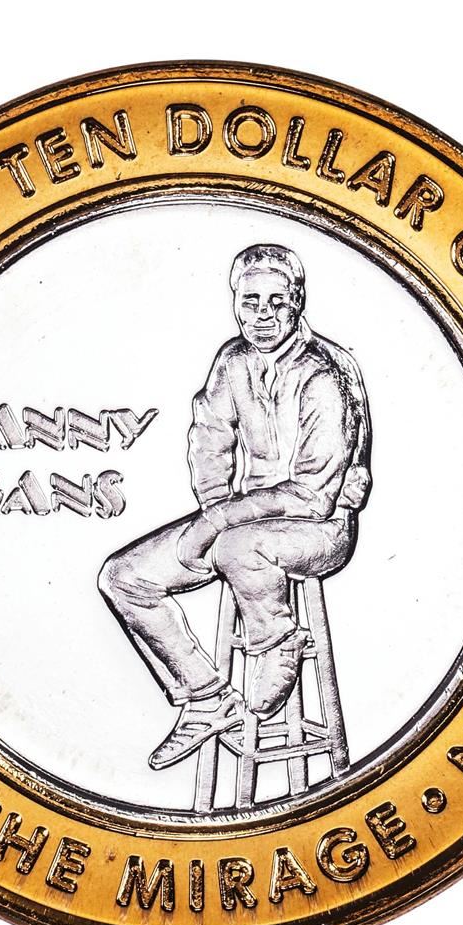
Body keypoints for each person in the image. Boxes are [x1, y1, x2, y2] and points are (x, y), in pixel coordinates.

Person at [98, 243, 371, 770]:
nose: (262, 315)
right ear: (235, 303)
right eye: (250, 302)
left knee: (239, 548)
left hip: (320, 527)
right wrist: (214, 504)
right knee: (123, 576)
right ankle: (205, 696)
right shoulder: (233, 361)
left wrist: (219, 521)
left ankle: (276, 640)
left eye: (276, 302)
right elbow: (209, 438)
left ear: (297, 301)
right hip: (242, 519)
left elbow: (314, 494)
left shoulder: (326, 373)